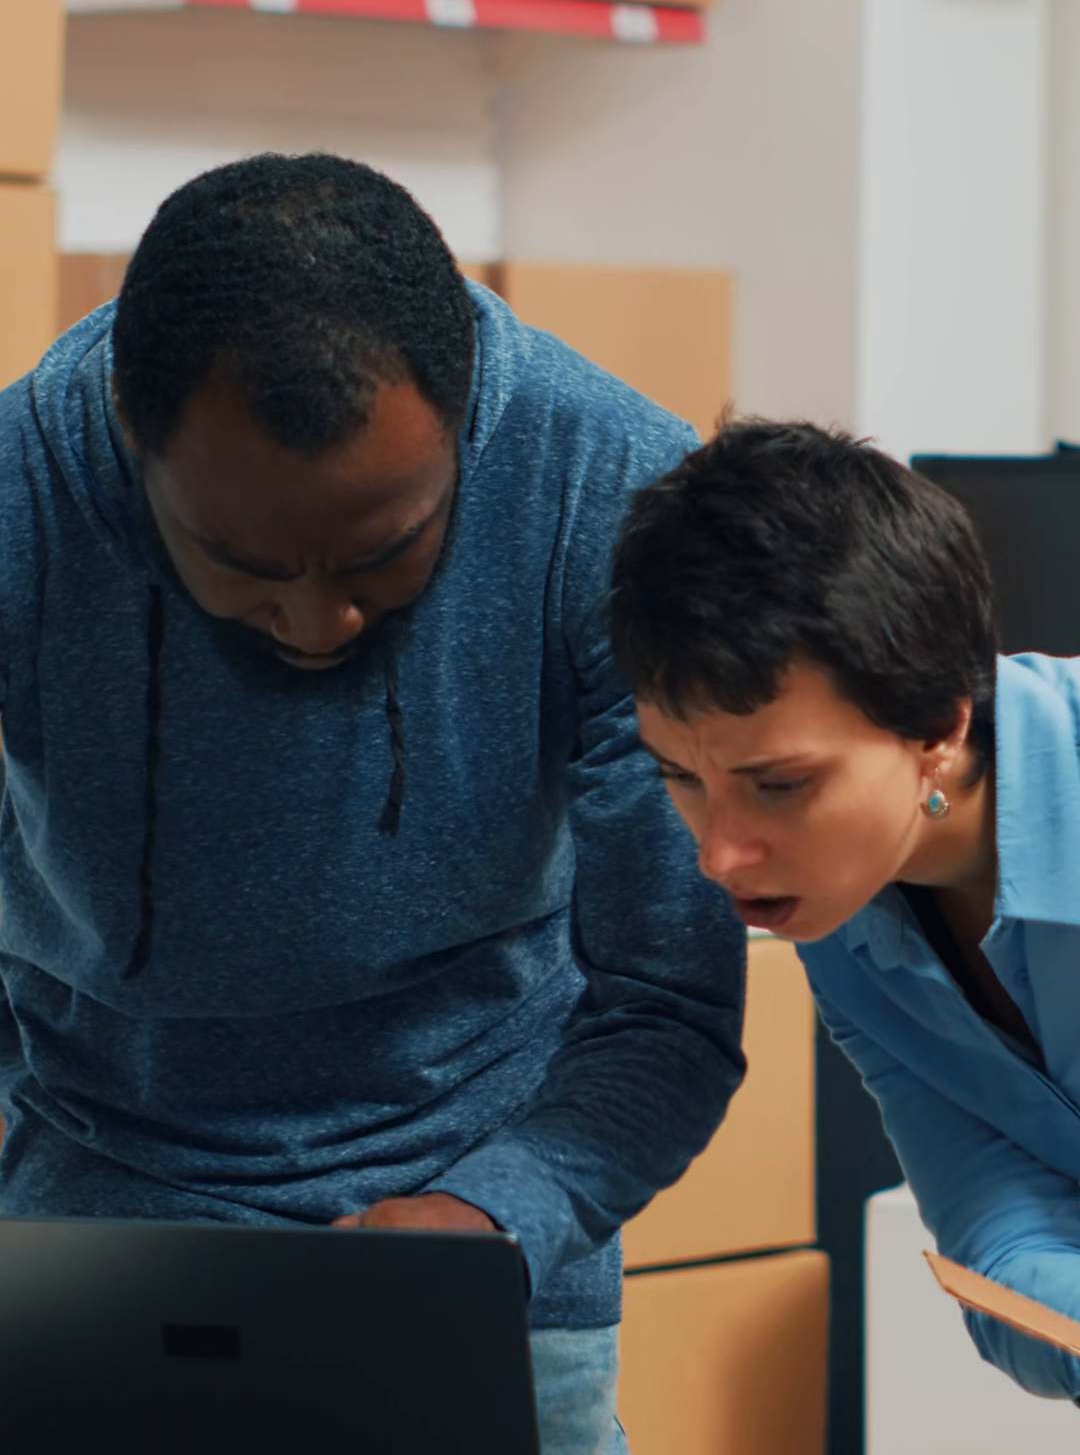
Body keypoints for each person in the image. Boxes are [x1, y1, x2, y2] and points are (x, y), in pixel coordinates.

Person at [0, 152, 745, 1453]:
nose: (318, 620)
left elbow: (669, 999)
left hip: (487, 1243)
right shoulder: (21, 489)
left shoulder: (610, 486)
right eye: (242, 563)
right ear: (131, 438)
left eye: (381, 554)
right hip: (95, 1236)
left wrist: (499, 1214)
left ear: (463, 430)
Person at [610, 416, 1080, 1406]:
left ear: (938, 724)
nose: (718, 855)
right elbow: (1000, 1234)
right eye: (682, 778)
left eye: (780, 785)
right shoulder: (848, 924)